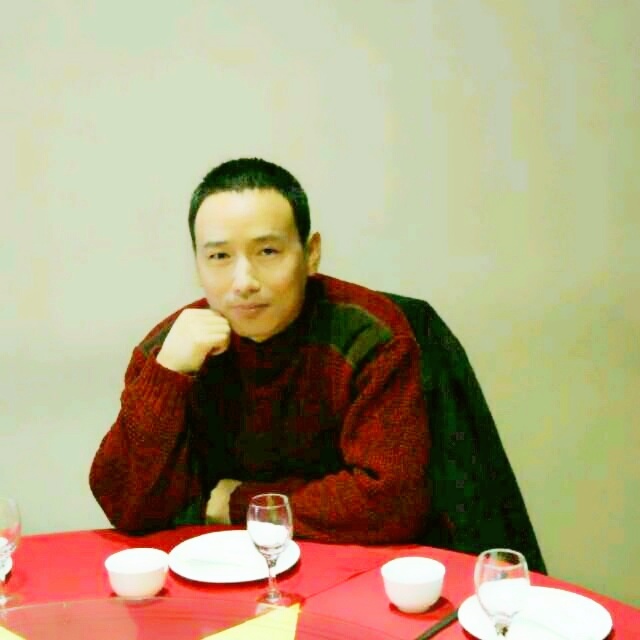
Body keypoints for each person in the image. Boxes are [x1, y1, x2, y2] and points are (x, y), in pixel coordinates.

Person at [89, 157, 430, 544]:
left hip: (349, 563)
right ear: (197, 264)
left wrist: (240, 503)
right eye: (219, 256)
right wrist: (167, 375)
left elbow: (391, 503)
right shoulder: (168, 349)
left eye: (267, 251)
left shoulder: (369, 337)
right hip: (214, 565)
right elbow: (124, 506)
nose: (244, 282)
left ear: (311, 253)